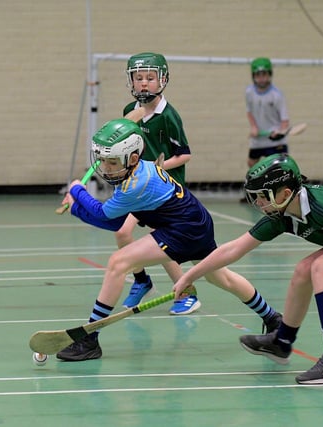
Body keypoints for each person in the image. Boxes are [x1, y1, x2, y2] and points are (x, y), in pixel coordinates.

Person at [173, 153, 323, 385]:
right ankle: (282, 342)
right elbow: (234, 249)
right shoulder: (281, 215)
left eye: (262, 195)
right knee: (304, 270)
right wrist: (190, 275)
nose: (258, 202)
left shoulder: (321, 204)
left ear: (285, 193)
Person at [57, 118, 282, 361]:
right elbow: (116, 222)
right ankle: (273, 318)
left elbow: (104, 216)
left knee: (118, 263)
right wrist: (77, 205)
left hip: (183, 229)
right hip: (196, 220)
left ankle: (90, 339)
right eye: (102, 160)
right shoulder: (134, 171)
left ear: (132, 158)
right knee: (221, 277)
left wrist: (77, 193)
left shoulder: (135, 183)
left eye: (112, 162)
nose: (106, 167)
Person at [118, 52, 199, 315]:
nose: (144, 83)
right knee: (122, 233)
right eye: (139, 78)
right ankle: (142, 281)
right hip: (141, 186)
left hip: (165, 190)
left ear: (162, 80)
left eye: (150, 78)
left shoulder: (168, 116)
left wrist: (157, 168)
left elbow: (184, 154)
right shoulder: (130, 111)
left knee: (162, 242)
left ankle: (186, 292)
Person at [241, 57, 289, 202]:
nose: (261, 78)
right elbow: (249, 112)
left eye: (264, 75)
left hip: (275, 140)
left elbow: (285, 121)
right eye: (258, 75)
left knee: (280, 169)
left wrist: (280, 131)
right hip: (258, 139)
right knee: (252, 164)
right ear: (253, 76)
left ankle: (282, 197)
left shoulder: (277, 95)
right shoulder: (249, 92)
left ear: (269, 75)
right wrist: (254, 127)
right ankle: (253, 194)